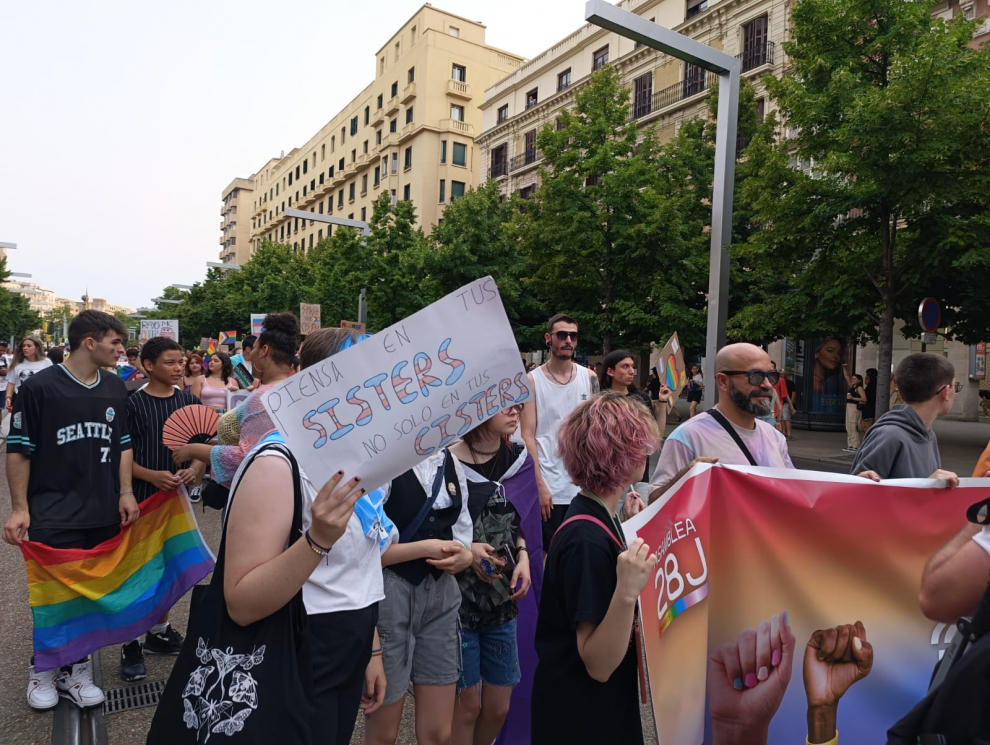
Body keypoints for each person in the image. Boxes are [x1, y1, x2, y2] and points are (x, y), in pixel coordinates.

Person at [2, 310, 136, 710]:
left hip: (102, 510)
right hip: (53, 510)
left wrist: (125, 492)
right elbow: (19, 450)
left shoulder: (115, 388)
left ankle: (76, 670)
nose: (120, 349)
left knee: (92, 593)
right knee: (54, 594)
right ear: (90, 342)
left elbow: (123, 444)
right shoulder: (40, 388)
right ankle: (43, 669)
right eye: (114, 342)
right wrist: (19, 508)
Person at [531, 392, 659, 745]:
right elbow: (598, 664)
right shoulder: (586, 540)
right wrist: (627, 591)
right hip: (584, 720)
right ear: (624, 454)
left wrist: (628, 528)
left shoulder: (593, 517)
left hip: (584, 712)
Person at [364, 426, 475, 745]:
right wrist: (427, 548)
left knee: (439, 733)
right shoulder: (384, 464)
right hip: (390, 594)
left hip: (441, 597)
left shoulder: (450, 463)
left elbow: (463, 534)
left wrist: (464, 557)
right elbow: (366, 552)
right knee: (383, 732)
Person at [118, 337, 204, 681]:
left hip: (177, 502)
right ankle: (131, 642)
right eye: (170, 362)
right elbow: (121, 456)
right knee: (138, 570)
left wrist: (194, 471)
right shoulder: (131, 405)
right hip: (140, 499)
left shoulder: (190, 402)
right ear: (148, 365)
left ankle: (159, 632)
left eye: (180, 361)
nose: (178, 367)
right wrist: (150, 475)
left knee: (170, 567)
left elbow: (203, 448)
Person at [449, 405, 534, 745]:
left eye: (519, 405)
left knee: (498, 707)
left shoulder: (518, 457)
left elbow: (523, 516)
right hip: (458, 601)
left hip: (501, 600)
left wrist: (525, 554)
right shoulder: (447, 461)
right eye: (505, 405)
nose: (515, 412)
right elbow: (434, 524)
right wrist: (469, 552)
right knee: (467, 706)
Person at [648, 343, 794, 503]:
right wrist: (683, 480)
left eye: (771, 376)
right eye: (756, 376)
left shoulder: (775, 438)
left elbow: (793, 494)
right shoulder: (687, 437)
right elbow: (654, 503)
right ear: (723, 381)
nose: (767, 384)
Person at [171, 313, 297, 489]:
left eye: (254, 348)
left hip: (254, 491)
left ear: (264, 351)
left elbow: (247, 455)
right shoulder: (294, 390)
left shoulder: (263, 397)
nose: (251, 354)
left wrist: (193, 450)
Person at [519, 314, 598, 556]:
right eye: (562, 335)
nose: (568, 340)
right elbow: (527, 436)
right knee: (547, 557)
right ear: (548, 338)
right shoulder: (532, 381)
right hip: (550, 489)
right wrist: (539, 486)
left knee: (579, 557)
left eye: (573, 336)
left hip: (582, 487)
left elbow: (596, 432)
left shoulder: (590, 378)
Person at [851, 354, 961, 483]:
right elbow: (856, 496)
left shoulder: (928, 434)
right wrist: (925, 487)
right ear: (946, 392)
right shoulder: (889, 435)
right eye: (956, 386)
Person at [600, 349, 655, 483]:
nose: (631, 371)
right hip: (608, 477)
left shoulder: (641, 398)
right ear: (610, 371)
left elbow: (653, 436)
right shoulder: (599, 401)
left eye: (632, 366)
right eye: (625, 366)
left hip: (638, 475)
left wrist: (664, 402)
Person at [5, 335, 53, 413]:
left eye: (29, 346)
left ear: (37, 348)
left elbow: (51, 382)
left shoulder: (46, 362)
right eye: (23, 346)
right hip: (21, 400)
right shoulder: (16, 363)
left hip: (41, 400)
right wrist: (8, 397)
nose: (25, 348)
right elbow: (11, 382)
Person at [843, 373, 867, 453]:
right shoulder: (852, 387)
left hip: (854, 407)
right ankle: (850, 444)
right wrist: (845, 369)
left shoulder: (859, 388)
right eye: (852, 378)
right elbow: (847, 376)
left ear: (859, 380)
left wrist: (853, 398)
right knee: (848, 426)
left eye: (855, 379)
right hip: (849, 406)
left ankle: (856, 445)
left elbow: (864, 399)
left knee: (853, 425)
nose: (852, 380)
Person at [772, 369, 794, 440]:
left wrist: (791, 406)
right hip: (770, 407)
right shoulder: (766, 380)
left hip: (780, 405)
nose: (782, 375)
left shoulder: (781, 381)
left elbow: (786, 394)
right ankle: (782, 434)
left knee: (784, 419)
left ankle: (787, 434)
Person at [861, 368, 878, 434]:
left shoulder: (871, 389)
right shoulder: (870, 388)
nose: (865, 379)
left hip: (869, 411)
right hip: (868, 411)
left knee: (867, 428)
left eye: (867, 378)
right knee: (865, 427)